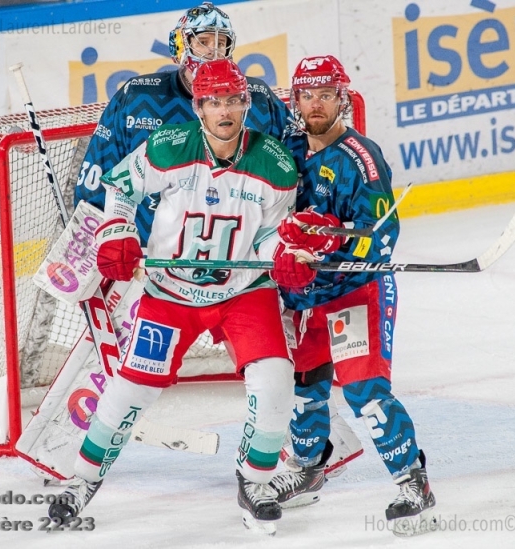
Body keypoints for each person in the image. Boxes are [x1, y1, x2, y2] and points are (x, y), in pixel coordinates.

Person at [49, 59, 306, 536]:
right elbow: (119, 186)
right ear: (198, 106)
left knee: (275, 379)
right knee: (132, 387)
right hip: (169, 293)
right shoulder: (169, 146)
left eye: (232, 100)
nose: (223, 110)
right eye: (212, 101)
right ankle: (80, 480)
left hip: (243, 292)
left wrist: (284, 255)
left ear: (246, 103)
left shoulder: (275, 162)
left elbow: (269, 232)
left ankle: (255, 481)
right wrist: (116, 232)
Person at [267, 55, 437, 537]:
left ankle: (412, 483)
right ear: (295, 99)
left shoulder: (361, 158)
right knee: (305, 387)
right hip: (305, 296)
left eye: (324, 94)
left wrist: (331, 244)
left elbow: (381, 236)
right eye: (306, 94)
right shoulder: (288, 149)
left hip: (355, 291)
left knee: (364, 392)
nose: (314, 103)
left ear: (341, 98)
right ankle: (306, 468)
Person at [74, 1, 292, 244]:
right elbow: (97, 179)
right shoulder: (138, 97)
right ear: (180, 45)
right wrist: (99, 245)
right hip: (148, 258)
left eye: (221, 43)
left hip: (235, 257)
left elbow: (295, 162)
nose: (214, 52)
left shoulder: (258, 98)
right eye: (204, 42)